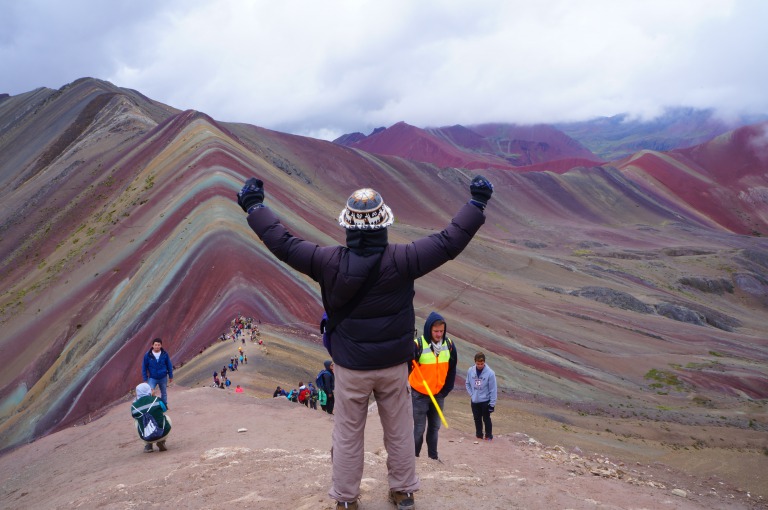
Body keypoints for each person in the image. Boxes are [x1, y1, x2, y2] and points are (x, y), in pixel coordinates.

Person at [237, 173, 492, 510]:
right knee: (400, 432)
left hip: (351, 368)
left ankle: (345, 499)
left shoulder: (326, 261)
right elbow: (448, 242)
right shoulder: (404, 259)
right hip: (392, 367)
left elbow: (282, 243)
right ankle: (403, 492)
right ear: (383, 223)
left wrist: (255, 207)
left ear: (349, 225)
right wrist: (476, 204)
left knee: (347, 434)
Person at [409, 312, 457, 461]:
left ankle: (433, 458)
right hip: (420, 395)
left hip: (438, 394)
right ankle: (413, 458)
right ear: (429, 329)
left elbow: (452, 368)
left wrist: (445, 390)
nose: (438, 334)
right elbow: (406, 368)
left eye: (441, 331)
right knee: (419, 429)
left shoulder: (448, 345)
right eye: (436, 331)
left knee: (435, 428)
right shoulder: (418, 345)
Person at [465, 352, 497, 441]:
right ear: (475, 362)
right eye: (478, 364)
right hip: (474, 400)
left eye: (482, 364)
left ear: (484, 362)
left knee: (486, 418)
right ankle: (479, 435)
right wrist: (472, 394)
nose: (480, 366)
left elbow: (493, 389)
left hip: (485, 401)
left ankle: (488, 435)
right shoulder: (470, 371)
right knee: (477, 418)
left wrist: (492, 404)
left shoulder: (490, 373)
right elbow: (467, 383)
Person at [130, 382, 171, 452]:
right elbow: (164, 409)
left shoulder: (133, 406)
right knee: (166, 417)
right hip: (163, 433)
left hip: (146, 437)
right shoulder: (156, 399)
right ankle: (161, 441)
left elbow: (134, 416)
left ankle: (148, 445)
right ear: (149, 390)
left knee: (137, 421)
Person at [141, 338, 173, 408]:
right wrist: (145, 379)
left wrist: (170, 376)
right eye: (155, 345)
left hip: (163, 377)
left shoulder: (164, 354)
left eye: (159, 345)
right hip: (152, 378)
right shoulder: (147, 355)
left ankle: (164, 406)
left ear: (161, 345)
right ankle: (151, 407)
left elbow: (169, 365)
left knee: (164, 393)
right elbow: (144, 367)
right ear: (152, 345)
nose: (157, 346)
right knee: (149, 392)